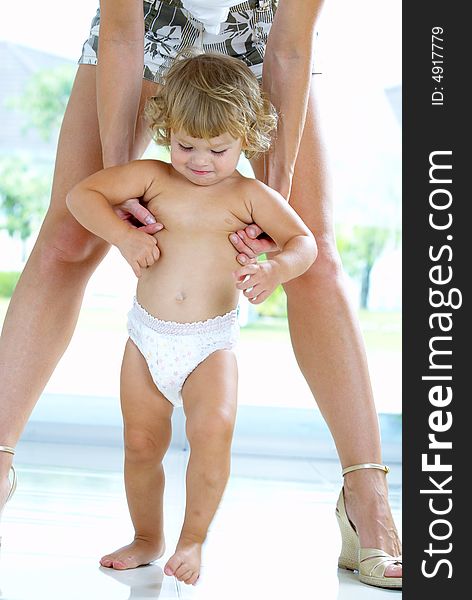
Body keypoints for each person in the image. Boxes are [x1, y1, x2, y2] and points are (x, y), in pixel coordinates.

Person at [0, 0, 402, 589]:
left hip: (264, 35)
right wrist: (122, 191)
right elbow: (121, 30)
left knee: (313, 254)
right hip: (151, 23)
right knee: (67, 237)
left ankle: (366, 501)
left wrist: (275, 202)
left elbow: (289, 44)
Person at [66, 52, 317, 584]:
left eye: (218, 149)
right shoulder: (153, 179)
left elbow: (304, 243)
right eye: (186, 145)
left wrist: (276, 272)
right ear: (166, 131)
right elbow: (80, 195)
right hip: (147, 337)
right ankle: (146, 536)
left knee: (213, 430)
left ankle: (193, 540)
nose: (200, 160)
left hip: (210, 343)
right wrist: (126, 235)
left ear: (246, 137)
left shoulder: (250, 195)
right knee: (140, 441)